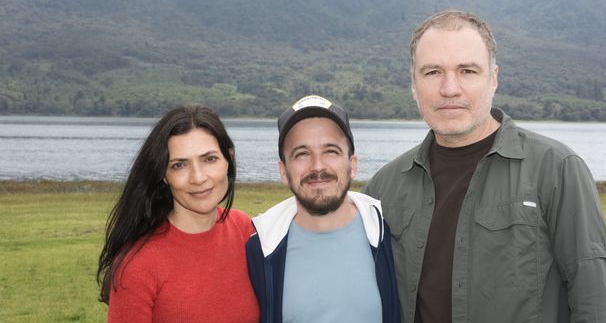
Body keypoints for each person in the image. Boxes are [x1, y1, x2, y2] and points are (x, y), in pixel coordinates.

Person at [364, 10, 606, 322]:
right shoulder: (382, 188)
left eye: (467, 71)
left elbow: (595, 306)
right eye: (432, 72)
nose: (449, 89)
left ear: (493, 78)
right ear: (414, 84)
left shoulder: (557, 169)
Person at [97, 105, 259, 322]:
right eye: (179, 165)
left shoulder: (244, 229)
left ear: (229, 158)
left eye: (209, 159)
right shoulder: (137, 265)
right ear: (164, 174)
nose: (198, 178)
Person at [246, 95, 400, 323]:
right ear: (283, 171)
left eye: (331, 151)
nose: (317, 166)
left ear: (353, 165)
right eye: (302, 154)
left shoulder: (386, 233)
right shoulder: (261, 249)